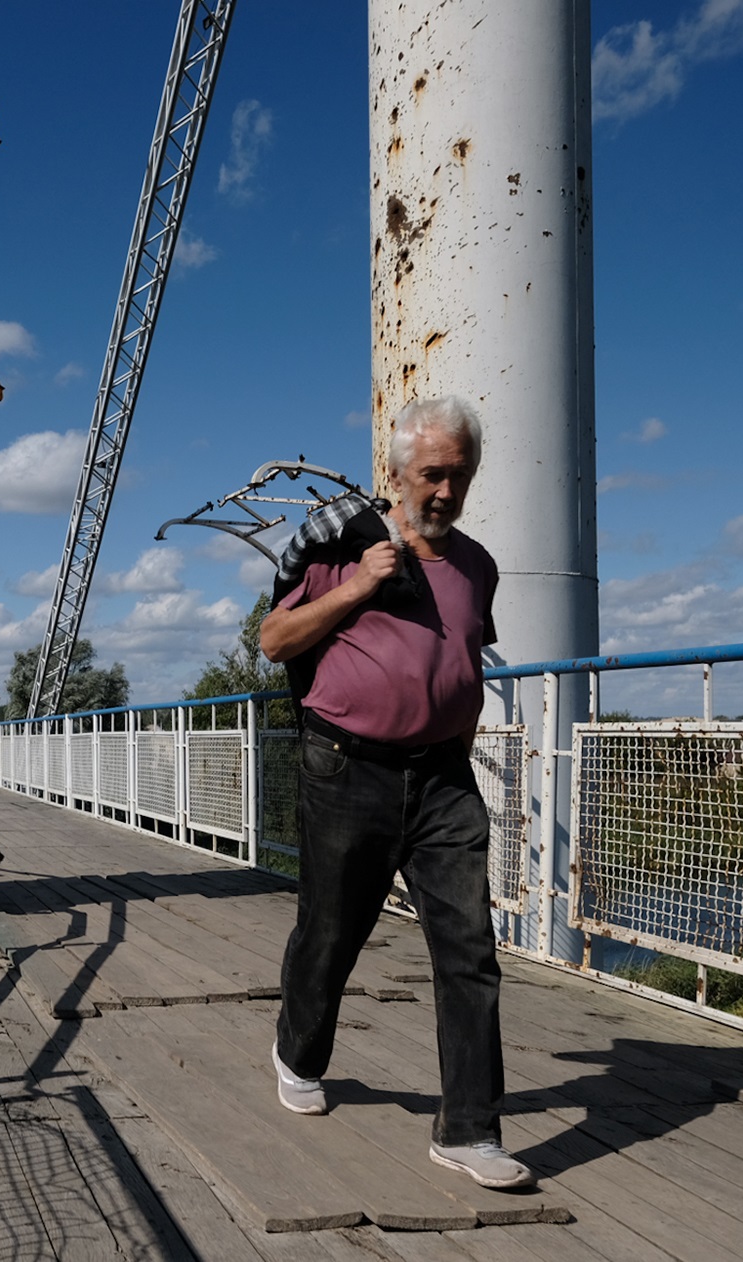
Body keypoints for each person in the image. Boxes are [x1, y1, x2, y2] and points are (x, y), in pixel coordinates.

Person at [257, 395, 533, 1190]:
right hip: (347, 768)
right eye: (431, 475)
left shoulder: (478, 564)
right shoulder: (344, 548)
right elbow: (275, 641)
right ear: (396, 473)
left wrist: (458, 731)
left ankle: (470, 1130)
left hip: (443, 777)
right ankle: (298, 1052)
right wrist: (357, 590)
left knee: (470, 950)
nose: (445, 491)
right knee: (333, 930)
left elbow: (464, 659)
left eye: (460, 476)